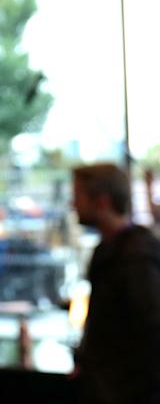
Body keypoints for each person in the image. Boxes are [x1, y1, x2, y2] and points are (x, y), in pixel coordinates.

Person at [71, 163, 160, 404]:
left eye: (78, 195)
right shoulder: (106, 250)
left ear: (102, 201)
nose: (73, 204)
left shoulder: (137, 258)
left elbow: (151, 331)